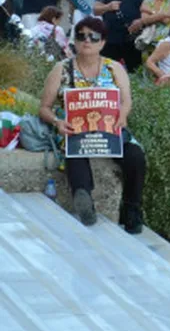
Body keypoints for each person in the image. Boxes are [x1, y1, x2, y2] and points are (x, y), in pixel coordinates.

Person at [37, 17, 146, 232]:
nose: (87, 41)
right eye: (81, 36)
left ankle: (132, 208)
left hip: (110, 127)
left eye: (93, 36)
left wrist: (122, 116)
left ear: (103, 42)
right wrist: (58, 122)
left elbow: (126, 101)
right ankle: (84, 199)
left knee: (135, 155)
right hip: (73, 128)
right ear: (74, 41)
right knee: (75, 152)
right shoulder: (61, 69)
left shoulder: (114, 68)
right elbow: (44, 108)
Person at [93, 0, 150, 70]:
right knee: (107, 70)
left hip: (134, 36)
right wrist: (107, 7)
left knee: (134, 71)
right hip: (111, 36)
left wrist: (142, 21)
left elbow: (152, 6)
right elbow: (95, 9)